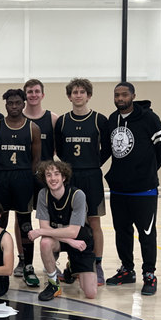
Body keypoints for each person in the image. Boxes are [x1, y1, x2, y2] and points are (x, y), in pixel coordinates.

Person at [104, 82, 161, 296]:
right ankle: (127, 270)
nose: (120, 98)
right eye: (117, 95)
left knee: (147, 234)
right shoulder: (112, 119)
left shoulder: (149, 118)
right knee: (122, 232)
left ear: (133, 95)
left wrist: (147, 170)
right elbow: (107, 150)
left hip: (144, 190)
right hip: (118, 190)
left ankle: (149, 274)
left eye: (124, 94)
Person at [54, 78, 110, 286]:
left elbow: (106, 149)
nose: (78, 95)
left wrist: (92, 164)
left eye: (82, 92)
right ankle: (73, 265)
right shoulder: (62, 121)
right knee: (72, 224)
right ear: (69, 96)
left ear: (89, 95)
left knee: (94, 221)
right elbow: (59, 149)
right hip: (70, 177)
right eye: (74, 92)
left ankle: (97, 265)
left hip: (92, 175)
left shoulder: (99, 120)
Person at [0, 88, 42, 288]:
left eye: (18, 103)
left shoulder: (32, 128)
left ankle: (28, 267)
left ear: (24, 103)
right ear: (6, 104)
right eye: (11, 103)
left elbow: (36, 158)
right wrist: (0, 172)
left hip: (23, 179)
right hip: (2, 179)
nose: (15, 106)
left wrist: (27, 174)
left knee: (25, 224)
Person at [29, 160, 97, 300]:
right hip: (63, 241)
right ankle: (54, 284)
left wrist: (40, 232)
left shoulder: (77, 195)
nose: (53, 178)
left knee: (91, 293)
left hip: (81, 242)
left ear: (64, 177)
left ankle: (71, 268)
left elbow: (73, 232)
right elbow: (45, 227)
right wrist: (69, 241)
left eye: (56, 174)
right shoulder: (43, 194)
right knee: (45, 243)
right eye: (48, 175)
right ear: (44, 178)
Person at [12, 79, 59, 279]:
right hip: (23, 176)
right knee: (21, 218)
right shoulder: (16, 118)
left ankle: (53, 261)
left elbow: (58, 149)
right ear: (25, 96)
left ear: (42, 94)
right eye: (29, 91)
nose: (33, 94)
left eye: (36, 91)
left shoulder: (53, 119)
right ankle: (23, 259)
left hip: (46, 178)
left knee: (53, 219)